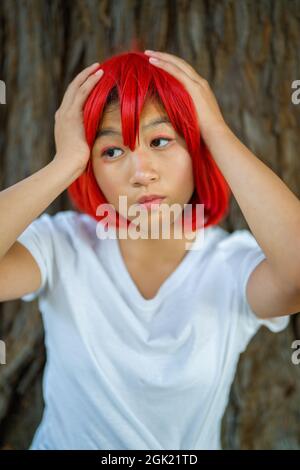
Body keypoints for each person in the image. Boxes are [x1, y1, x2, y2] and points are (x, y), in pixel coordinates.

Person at [0, 49, 299, 450]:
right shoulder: (63, 245)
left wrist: (217, 133)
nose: (141, 174)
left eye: (161, 140)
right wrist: (65, 162)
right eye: (112, 151)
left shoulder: (231, 266)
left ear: (197, 151)